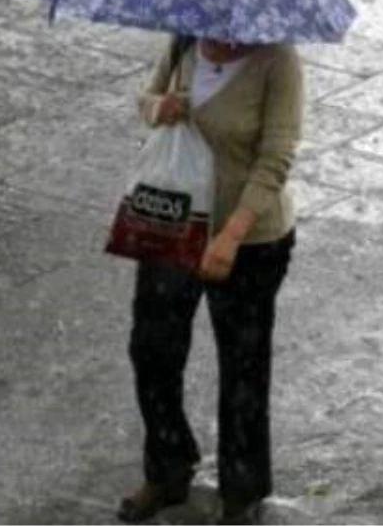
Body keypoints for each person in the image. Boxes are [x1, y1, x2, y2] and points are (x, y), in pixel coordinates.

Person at [117, 34, 304, 526]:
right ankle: (168, 466)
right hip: (176, 222)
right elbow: (145, 99)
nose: (216, 38)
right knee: (152, 347)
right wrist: (161, 107)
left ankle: (242, 492)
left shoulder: (277, 62)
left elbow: (276, 158)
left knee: (243, 365)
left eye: (227, 30)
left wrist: (231, 236)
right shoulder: (183, 41)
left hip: (251, 238)